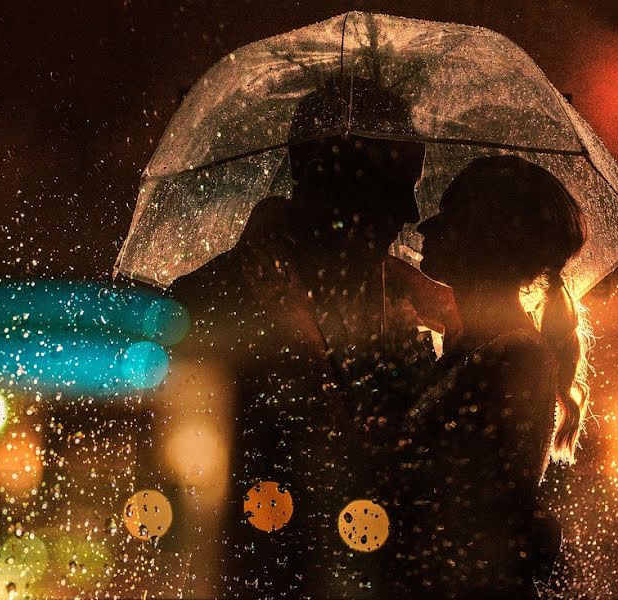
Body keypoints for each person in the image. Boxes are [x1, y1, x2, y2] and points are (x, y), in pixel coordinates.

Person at [168, 78, 430, 598]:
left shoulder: (404, 303)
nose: (411, 215)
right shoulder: (214, 300)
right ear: (334, 182)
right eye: (395, 187)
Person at [387, 155, 589, 599]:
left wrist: (400, 361)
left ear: (487, 241)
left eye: (450, 217)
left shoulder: (514, 358)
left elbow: (431, 485)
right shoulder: (482, 350)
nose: (425, 229)